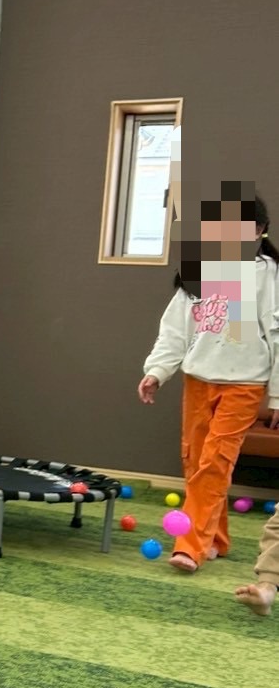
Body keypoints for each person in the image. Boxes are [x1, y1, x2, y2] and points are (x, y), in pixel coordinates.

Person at [139, 190, 279, 573]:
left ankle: (190, 546)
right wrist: (157, 370)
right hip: (198, 380)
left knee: (215, 462)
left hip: (244, 385)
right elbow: (175, 330)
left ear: (259, 231)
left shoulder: (269, 275)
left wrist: (277, 396)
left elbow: (278, 334)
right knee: (196, 460)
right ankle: (215, 537)